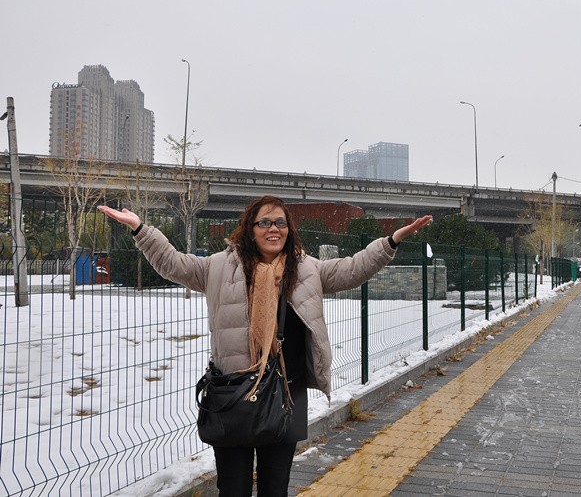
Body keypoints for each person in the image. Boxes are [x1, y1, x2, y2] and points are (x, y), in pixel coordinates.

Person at [97, 196, 432, 497]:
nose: (274, 229)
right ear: (250, 228)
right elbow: (173, 263)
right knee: (233, 487)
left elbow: (353, 268)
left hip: (287, 392)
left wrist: (390, 241)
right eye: (265, 222)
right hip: (233, 392)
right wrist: (140, 229)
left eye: (281, 222)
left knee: (275, 486)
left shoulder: (307, 269)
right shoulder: (218, 267)